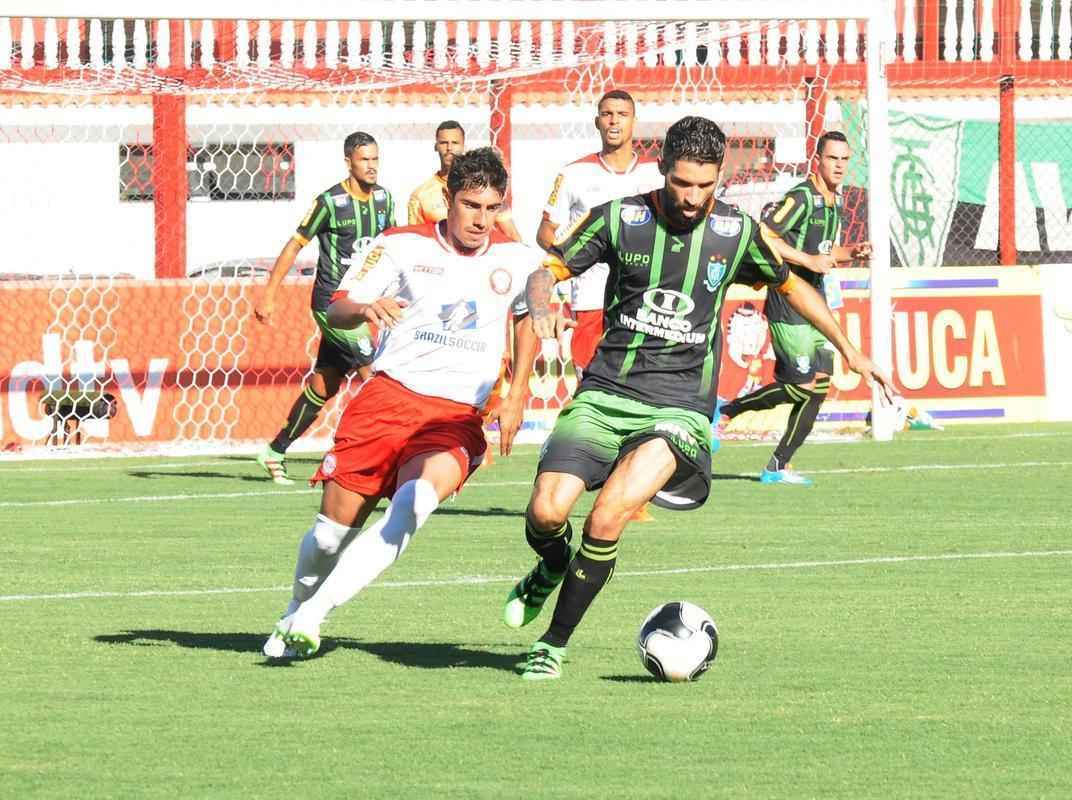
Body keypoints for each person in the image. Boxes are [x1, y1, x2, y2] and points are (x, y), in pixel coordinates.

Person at [503, 116, 895, 680]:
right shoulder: (623, 219)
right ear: (663, 169)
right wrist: (541, 302)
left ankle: (553, 644)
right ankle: (551, 567)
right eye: (681, 184)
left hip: (679, 408)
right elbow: (547, 271)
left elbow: (791, 284)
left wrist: (849, 348)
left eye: (704, 187)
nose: (691, 199)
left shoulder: (737, 232)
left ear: (719, 180)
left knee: (609, 513)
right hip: (607, 390)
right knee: (546, 512)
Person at [263, 148, 542, 659]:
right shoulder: (398, 245)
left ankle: (312, 616)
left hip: (454, 419)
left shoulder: (517, 259)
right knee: (328, 538)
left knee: (413, 507)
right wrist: (365, 307)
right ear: (448, 200)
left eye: (492, 208)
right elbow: (339, 306)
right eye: (470, 206)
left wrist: (518, 391)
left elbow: (527, 317)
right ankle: (294, 610)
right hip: (386, 403)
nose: (481, 220)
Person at [536, 88, 663, 521]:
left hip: (641, 303)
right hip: (590, 300)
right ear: (597, 121)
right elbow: (545, 232)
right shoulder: (573, 175)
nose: (614, 121)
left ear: (634, 121)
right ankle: (578, 472)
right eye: (607, 114)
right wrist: (582, 251)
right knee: (599, 392)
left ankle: (629, 488)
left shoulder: (655, 176)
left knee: (643, 391)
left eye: (622, 114)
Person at [719, 131, 872, 486]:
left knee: (819, 388)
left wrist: (852, 252)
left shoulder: (834, 201)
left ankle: (777, 465)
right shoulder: (802, 197)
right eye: (832, 158)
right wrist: (805, 259)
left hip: (814, 301)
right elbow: (766, 235)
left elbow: (824, 254)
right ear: (817, 160)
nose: (839, 166)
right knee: (803, 386)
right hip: (788, 297)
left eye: (844, 160)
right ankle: (727, 409)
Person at [254, 131, 396, 484]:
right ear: (348, 161)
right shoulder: (330, 202)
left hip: (361, 304)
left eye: (375, 159)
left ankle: (274, 451)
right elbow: (294, 245)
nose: (372, 166)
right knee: (374, 377)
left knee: (324, 386)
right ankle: (376, 459)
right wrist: (270, 294)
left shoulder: (384, 200)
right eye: (365, 159)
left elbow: (394, 248)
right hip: (330, 302)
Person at [408, 120, 522, 241]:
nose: (449, 148)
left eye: (455, 143)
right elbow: (415, 239)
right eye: (444, 143)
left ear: (463, 145)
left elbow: (511, 234)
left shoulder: (484, 188)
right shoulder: (420, 195)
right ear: (436, 146)